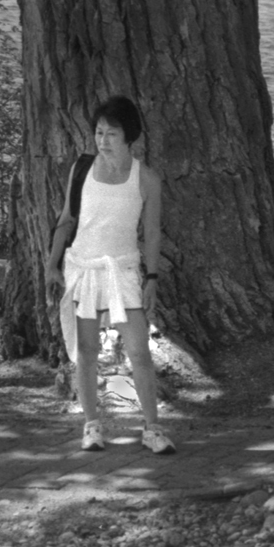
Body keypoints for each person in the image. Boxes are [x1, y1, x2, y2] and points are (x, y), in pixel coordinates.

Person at [45, 96, 176, 454]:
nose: (103, 140)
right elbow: (66, 220)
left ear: (128, 136)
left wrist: (152, 279)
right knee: (86, 351)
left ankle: (152, 429)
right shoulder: (82, 169)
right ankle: (91, 426)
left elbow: (151, 234)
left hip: (123, 271)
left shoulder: (146, 179)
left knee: (139, 351)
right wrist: (52, 265)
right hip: (84, 269)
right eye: (99, 132)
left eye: (111, 133)